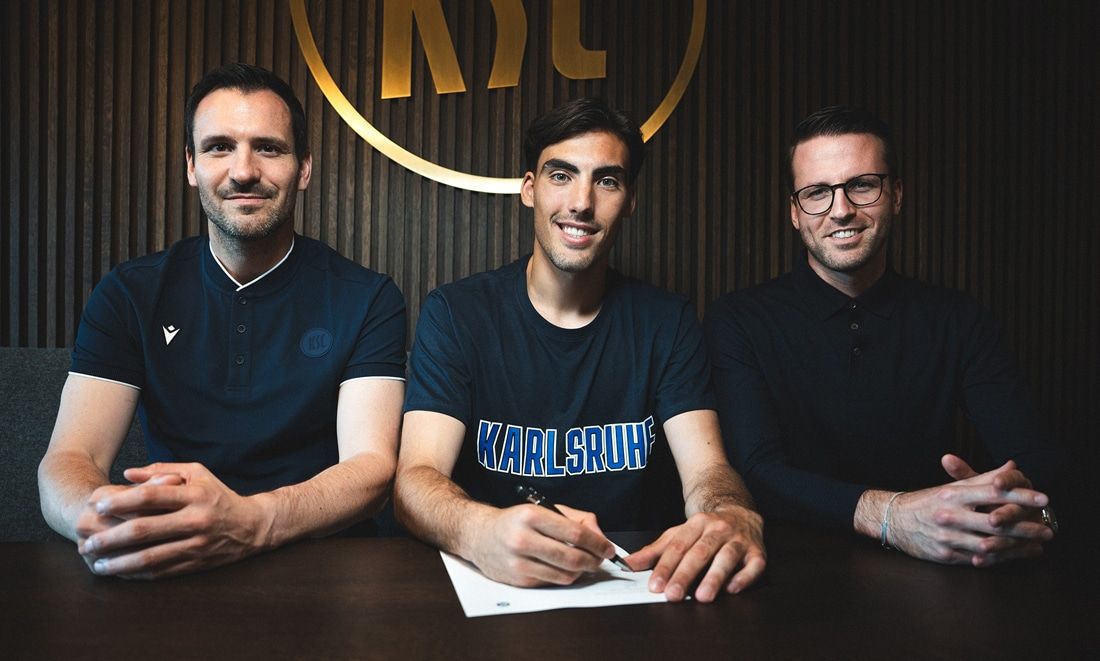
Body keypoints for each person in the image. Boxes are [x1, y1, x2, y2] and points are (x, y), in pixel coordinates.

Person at [37, 63, 406, 578]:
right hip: (173, 561)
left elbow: (371, 470)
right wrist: (112, 525)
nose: (243, 170)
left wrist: (251, 522)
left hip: (323, 567)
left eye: (268, 148)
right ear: (191, 166)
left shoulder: (368, 298)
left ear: (303, 169)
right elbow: (70, 459)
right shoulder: (130, 293)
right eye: (219, 147)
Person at [395, 98, 765, 603]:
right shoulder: (458, 314)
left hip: (636, 588)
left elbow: (708, 472)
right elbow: (416, 479)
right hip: (497, 592)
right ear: (530, 189)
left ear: (630, 200)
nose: (581, 203)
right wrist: (478, 529)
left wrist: (732, 513)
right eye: (561, 175)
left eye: (607, 181)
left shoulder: (667, 321)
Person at [704, 105, 1063, 567]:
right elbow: (756, 471)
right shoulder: (738, 319)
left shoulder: (959, 319)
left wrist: (1018, 510)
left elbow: (1034, 458)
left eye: (862, 185)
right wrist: (891, 514)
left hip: (937, 571)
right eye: (817, 192)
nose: (841, 211)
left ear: (896, 195)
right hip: (786, 576)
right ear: (795, 212)